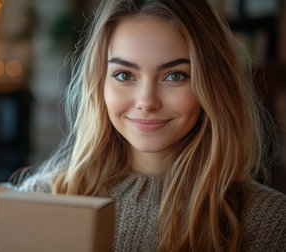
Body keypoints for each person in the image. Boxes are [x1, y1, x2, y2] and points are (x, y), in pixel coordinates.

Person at [14, 0, 286, 251]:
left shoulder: (269, 225)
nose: (146, 101)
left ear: (212, 86)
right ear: (100, 84)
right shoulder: (39, 200)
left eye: (175, 76)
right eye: (124, 75)